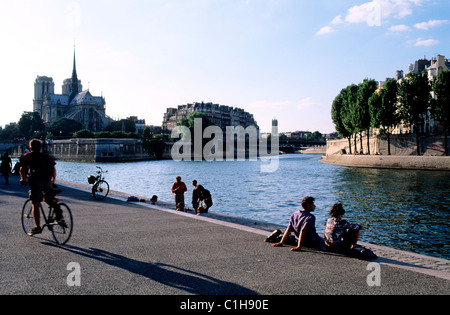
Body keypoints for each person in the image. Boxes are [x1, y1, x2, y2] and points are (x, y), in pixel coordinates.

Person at [20, 139, 59, 236]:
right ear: (40, 148)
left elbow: (22, 168)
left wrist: (23, 179)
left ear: (30, 148)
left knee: (36, 203)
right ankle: (58, 214)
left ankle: (37, 227)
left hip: (36, 181)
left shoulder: (28, 156)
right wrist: (53, 180)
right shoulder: (46, 156)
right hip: (47, 180)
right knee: (48, 199)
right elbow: (53, 169)